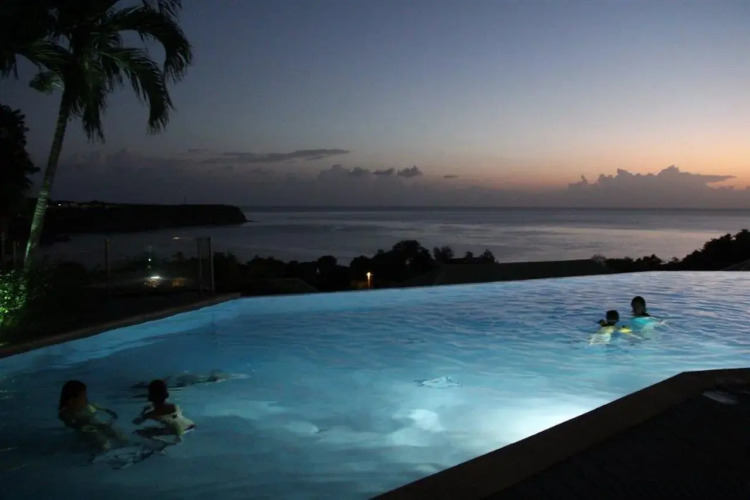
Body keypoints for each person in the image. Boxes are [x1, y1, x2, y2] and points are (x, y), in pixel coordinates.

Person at [58, 380, 128, 451]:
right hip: (85, 431)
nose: (86, 399)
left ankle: (126, 445)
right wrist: (82, 421)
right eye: (83, 396)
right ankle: (105, 452)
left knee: (114, 431)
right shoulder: (67, 413)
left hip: (95, 426)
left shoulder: (86, 407)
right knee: (99, 439)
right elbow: (71, 424)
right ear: (71, 401)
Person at [132, 380, 196, 445]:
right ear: (167, 395)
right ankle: (175, 438)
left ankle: (165, 443)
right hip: (189, 425)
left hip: (174, 430)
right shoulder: (174, 407)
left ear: (150, 397)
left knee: (137, 432)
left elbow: (136, 422)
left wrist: (143, 411)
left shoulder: (152, 413)